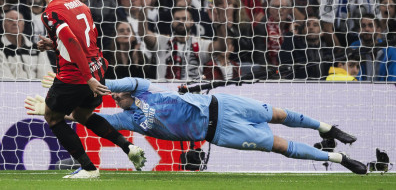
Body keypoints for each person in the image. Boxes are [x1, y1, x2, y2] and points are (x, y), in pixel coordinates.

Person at [25, 76, 368, 175]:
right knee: (278, 145)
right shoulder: (127, 119)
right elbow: (91, 120)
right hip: (218, 132)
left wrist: (83, 82)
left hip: (222, 104)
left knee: (278, 113)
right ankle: (340, 161)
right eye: (110, 93)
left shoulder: (139, 86)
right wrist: (54, 108)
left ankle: (326, 128)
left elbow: (114, 81)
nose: (115, 94)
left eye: (115, 90)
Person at [32, 0, 146, 178]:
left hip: (75, 75)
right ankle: (128, 147)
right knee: (82, 114)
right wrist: (54, 44)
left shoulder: (50, 13)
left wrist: (88, 78)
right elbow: (85, 38)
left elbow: (73, 43)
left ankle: (88, 168)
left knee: (53, 118)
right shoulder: (78, 3)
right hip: (97, 66)